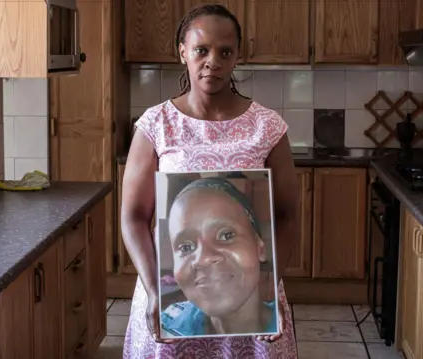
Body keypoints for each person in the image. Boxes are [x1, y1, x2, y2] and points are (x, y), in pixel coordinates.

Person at [120, 3, 299, 358]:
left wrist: (268, 286)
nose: (212, 61)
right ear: (182, 51)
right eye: (202, 49)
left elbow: (286, 215)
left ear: (237, 57)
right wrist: (155, 290)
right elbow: (133, 217)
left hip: (250, 299)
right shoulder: (156, 125)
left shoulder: (268, 127)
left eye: (225, 51)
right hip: (170, 296)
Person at [160, 177, 277, 338]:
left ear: (260, 248)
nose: (203, 258)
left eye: (226, 235)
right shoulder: (167, 326)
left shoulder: (283, 329)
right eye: (186, 247)